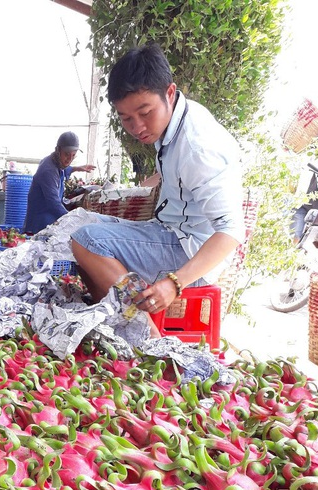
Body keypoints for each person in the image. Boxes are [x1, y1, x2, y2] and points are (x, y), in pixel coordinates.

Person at [71, 44, 245, 326]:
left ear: (170, 93)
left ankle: (145, 336)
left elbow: (232, 231)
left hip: (192, 254)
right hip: (169, 231)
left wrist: (175, 283)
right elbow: (177, 178)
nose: (137, 126)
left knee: (87, 241)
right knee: (76, 226)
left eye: (145, 112)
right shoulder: (173, 122)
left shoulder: (198, 147)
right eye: (126, 118)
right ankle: (116, 320)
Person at [23, 132, 95, 234]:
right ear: (58, 150)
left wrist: (77, 168)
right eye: (66, 154)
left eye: (73, 155)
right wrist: (73, 220)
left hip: (48, 222)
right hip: (39, 226)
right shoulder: (48, 170)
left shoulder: (54, 162)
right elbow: (54, 203)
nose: (69, 159)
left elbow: (64, 169)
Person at [291, 127, 318, 242]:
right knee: (295, 233)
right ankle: (291, 256)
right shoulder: (308, 154)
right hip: (302, 201)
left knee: (311, 237)